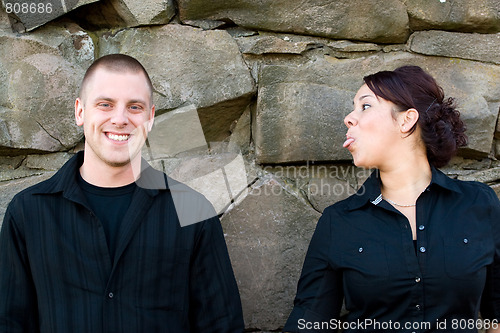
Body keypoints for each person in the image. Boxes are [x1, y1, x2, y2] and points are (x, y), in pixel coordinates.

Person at [0, 54, 244, 333]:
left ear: (151, 118)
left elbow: (222, 326)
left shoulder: (192, 211)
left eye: (135, 107)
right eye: (105, 104)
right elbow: (9, 323)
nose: (120, 119)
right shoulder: (28, 213)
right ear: (80, 112)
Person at [283, 65, 500, 333]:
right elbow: (309, 321)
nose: (349, 118)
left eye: (365, 106)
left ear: (406, 121)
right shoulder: (339, 222)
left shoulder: (479, 205)